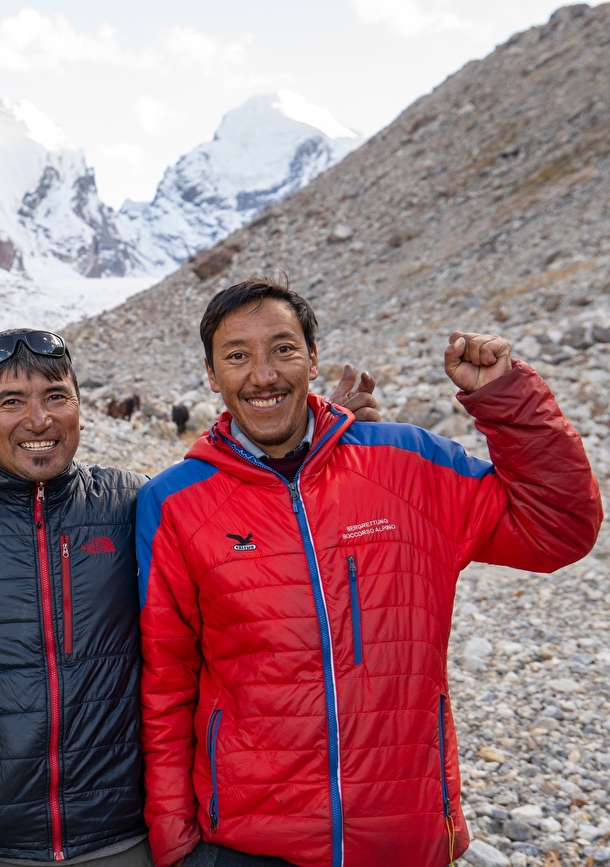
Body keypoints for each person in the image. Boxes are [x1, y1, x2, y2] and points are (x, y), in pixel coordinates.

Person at [136, 280, 602, 867]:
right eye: (237, 355)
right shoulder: (176, 502)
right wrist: (175, 841)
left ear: (312, 357)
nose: (263, 375)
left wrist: (507, 402)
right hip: (247, 843)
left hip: (404, 832)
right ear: (210, 374)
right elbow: (166, 682)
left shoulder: (408, 463)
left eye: (283, 349)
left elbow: (558, 528)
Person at [0, 329, 380, 866]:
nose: (38, 419)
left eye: (56, 396)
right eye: (10, 402)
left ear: (81, 408)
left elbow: (255, 509)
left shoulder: (134, 502)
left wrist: (323, 448)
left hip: (122, 838)